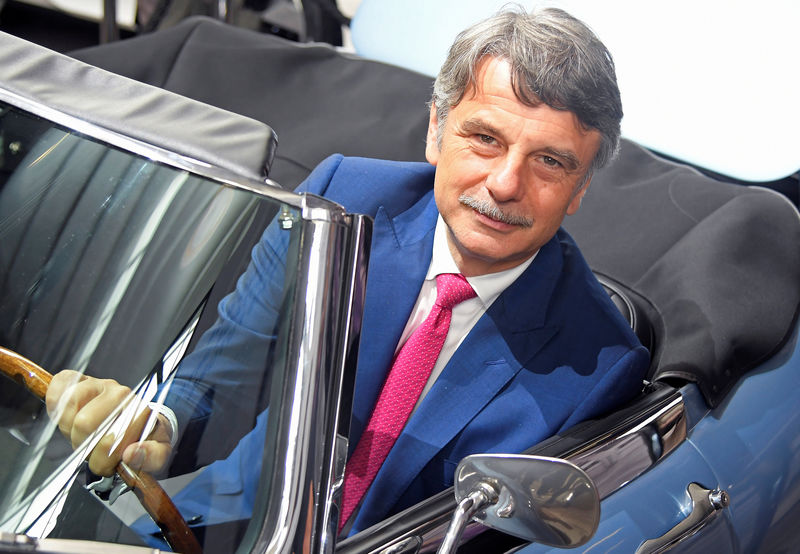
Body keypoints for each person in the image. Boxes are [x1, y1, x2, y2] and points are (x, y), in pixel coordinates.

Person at [46, 6, 648, 538]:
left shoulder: (598, 363)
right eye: (485, 138)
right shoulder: (341, 199)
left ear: (581, 188)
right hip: (215, 528)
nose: (505, 184)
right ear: (436, 130)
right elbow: (231, 365)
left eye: (549, 162)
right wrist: (158, 426)